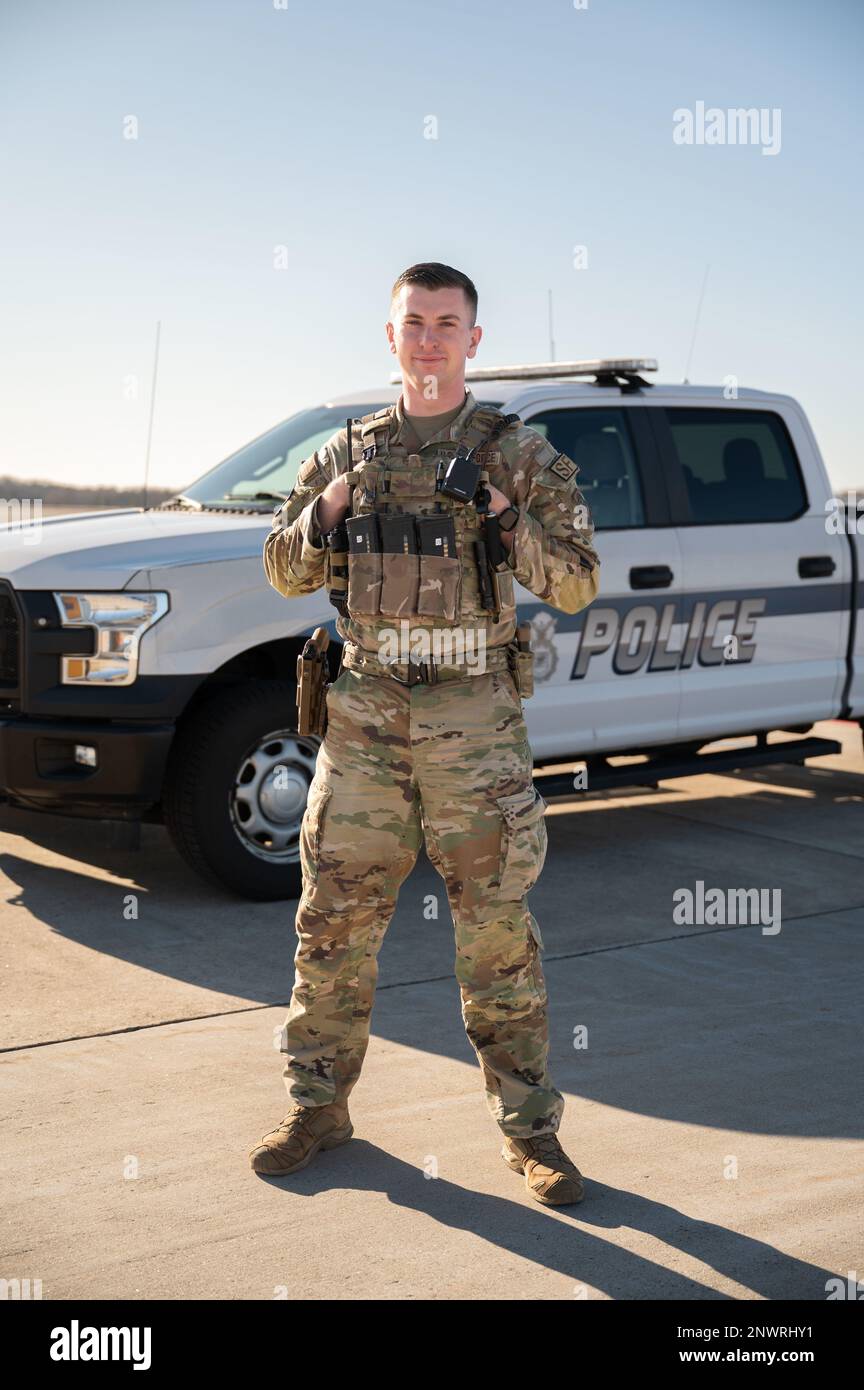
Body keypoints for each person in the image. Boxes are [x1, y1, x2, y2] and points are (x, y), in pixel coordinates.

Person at [249, 262, 601, 1205]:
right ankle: (317, 1107)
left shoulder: (517, 455)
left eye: (449, 323)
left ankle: (534, 1136)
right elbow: (282, 571)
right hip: (362, 718)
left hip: (473, 726)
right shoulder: (346, 452)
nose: (431, 339)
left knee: (496, 933)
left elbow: (574, 580)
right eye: (415, 323)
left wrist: (496, 512)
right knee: (333, 922)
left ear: (474, 341)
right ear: (391, 336)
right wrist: (327, 507)